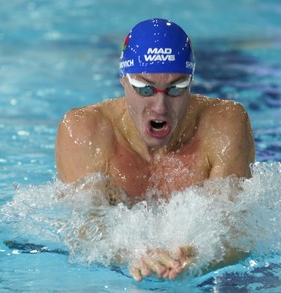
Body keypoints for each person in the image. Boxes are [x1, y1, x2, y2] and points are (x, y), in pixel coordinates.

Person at [55, 18, 255, 282]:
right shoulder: (85, 131)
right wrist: (132, 252)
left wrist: (204, 254)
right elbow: (84, 228)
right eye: (145, 89)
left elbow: (235, 229)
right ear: (124, 80)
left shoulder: (224, 125)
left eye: (176, 88)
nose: (160, 107)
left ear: (192, 82)